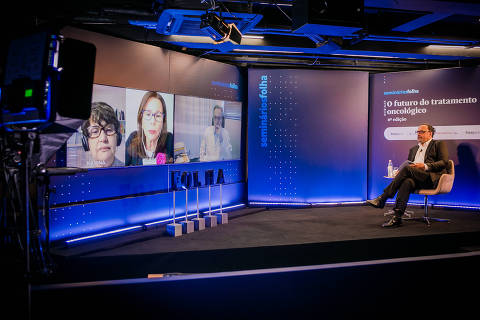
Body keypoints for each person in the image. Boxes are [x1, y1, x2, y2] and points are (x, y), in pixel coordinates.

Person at [367, 123, 449, 228]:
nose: (419, 134)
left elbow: (444, 162)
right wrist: (400, 172)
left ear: (430, 133)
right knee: (407, 182)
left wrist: (425, 166)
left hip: (431, 179)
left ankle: (383, 198)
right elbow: (409, 165)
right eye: (418, 132)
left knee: (406, 169)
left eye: (422, 132)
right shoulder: (413, 149)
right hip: (416, 179)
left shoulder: (438, 144)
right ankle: (397, 217)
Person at [125, 91, 173, 165]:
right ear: (141, 118)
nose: (153, 122)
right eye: (148, 114)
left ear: (163, 121)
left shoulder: (170, 139)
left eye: (158, 115)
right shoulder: (133, 138)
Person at [81, 102, 124, 168]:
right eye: (95, 131)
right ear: (86, 142)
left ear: (117, 138)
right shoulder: (79, 175)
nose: (103, 138)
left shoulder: (129, 172)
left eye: (109, 130)